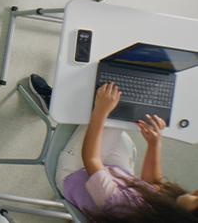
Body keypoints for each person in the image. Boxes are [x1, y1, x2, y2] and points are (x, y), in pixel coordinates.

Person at [29, 76, 198, 221]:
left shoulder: (124, 210)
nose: (196, 191)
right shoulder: (168, 210)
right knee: (119, 111)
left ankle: (55, 102)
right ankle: (74, 107)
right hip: (118, 176)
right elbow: (153, 185)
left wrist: (100, 112)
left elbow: (91, 160)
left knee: (104, 110)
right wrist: (154, 144)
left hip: (76, 173)